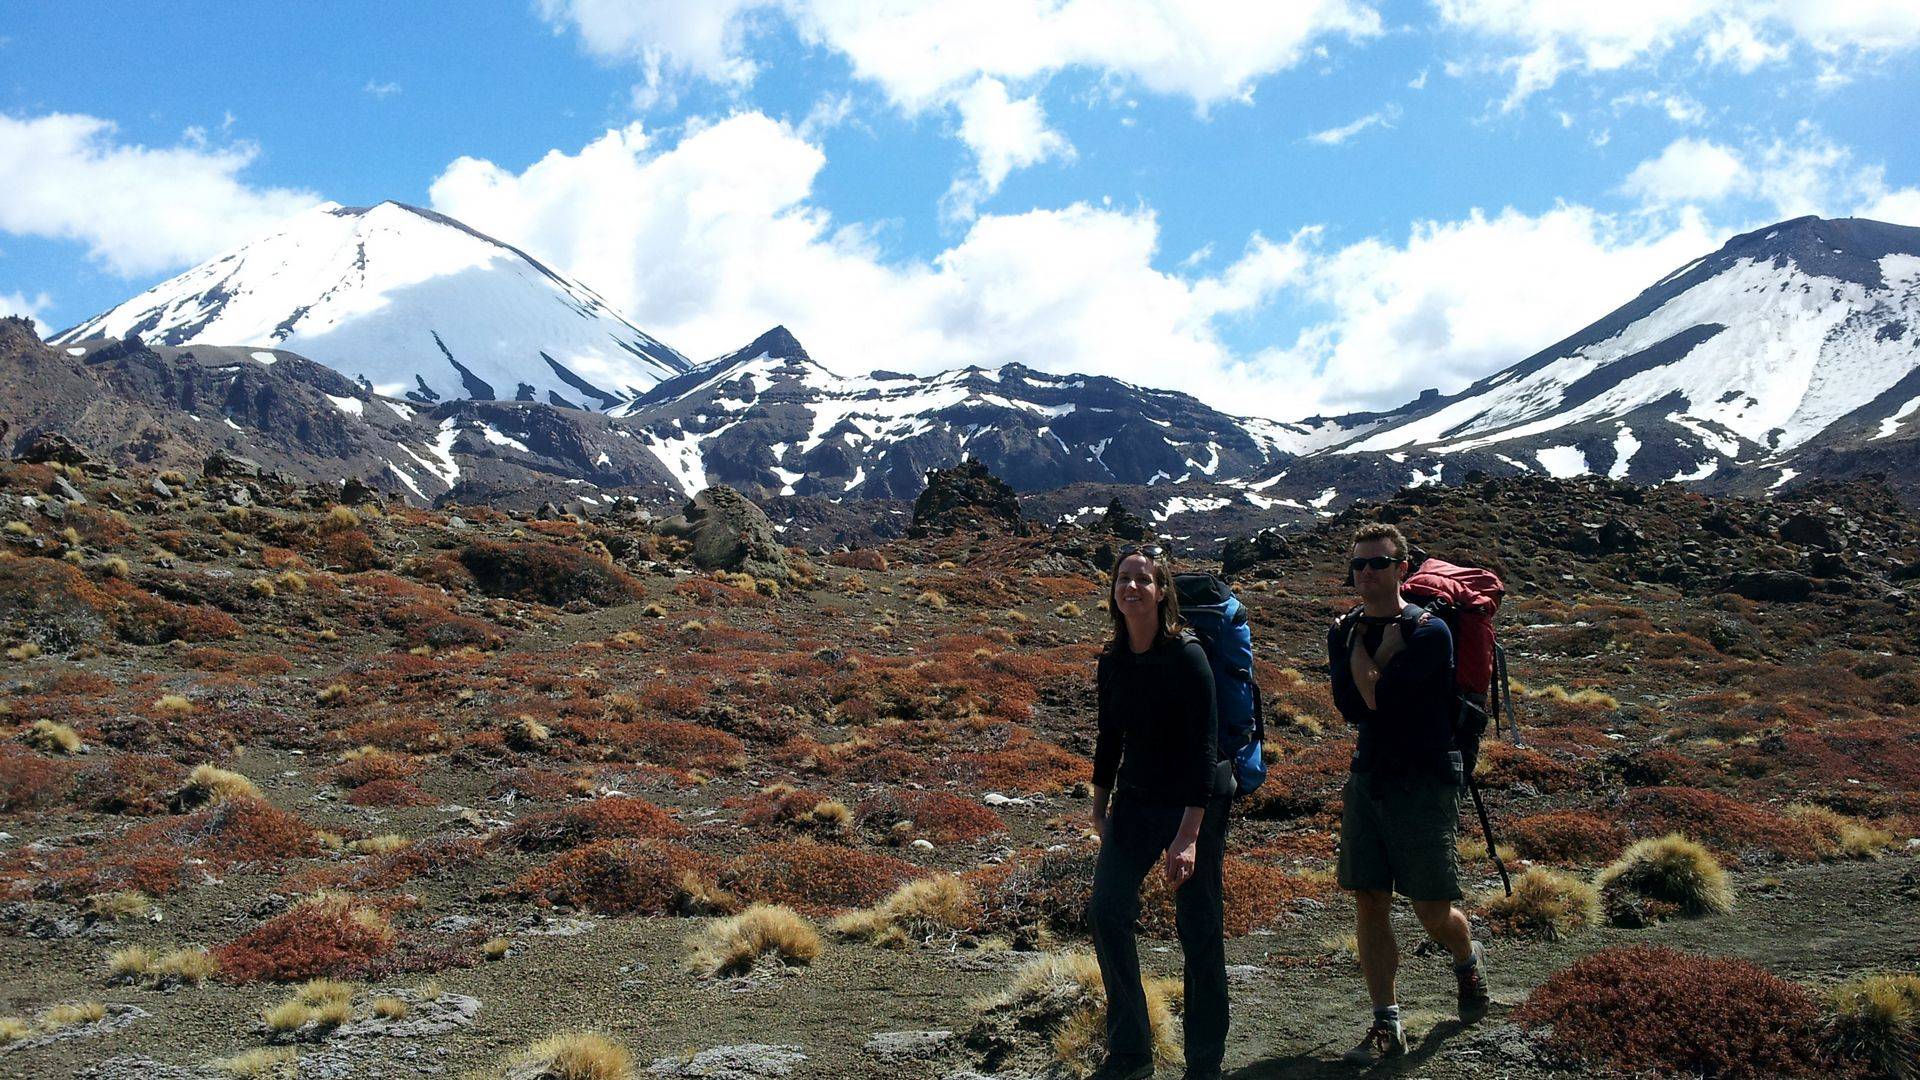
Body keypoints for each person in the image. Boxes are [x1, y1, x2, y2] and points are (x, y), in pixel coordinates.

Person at [1326, 523, 1490, 1065]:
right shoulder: (1343, 632)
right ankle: (1385, 1022)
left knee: (1430, 909)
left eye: (1378, 562)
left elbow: (1384, 703)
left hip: (1423, 780)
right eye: (1359, 565)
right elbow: (1354, 708)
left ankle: (1465, 957)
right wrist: (1372, 665)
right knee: (1369, 897)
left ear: (1402, 567)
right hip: (1369, 774)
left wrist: (1368, 665)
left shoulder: (1431, 633)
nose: (1367, 573)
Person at [1087, 543, 1231, 1080]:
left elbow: (1205, 745)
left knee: (1198, 930)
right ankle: (1130, 1051)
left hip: (1194, 805)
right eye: (1124, 579)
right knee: (1106, 911)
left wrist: (1189, 835)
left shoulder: (1186, 656)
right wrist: (1099, 806)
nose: (1131, 588)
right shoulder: (1114, 659)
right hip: (1135, 801)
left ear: (1162, 590)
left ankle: (1204, 1064)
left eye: (1143, 580)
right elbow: (1109, 737)